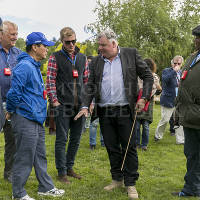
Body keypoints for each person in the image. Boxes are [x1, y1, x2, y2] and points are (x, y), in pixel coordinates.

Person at [75, 30, 153, 199]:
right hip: (104, 111)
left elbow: (147, 76)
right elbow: (90, 85)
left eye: (103, 45)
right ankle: (117, 178)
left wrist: (144, 97)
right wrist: (84, 105)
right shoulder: (96, 61)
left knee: (129, 147)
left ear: (113, 43)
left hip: (125, 109)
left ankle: (130, 183)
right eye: (99, 44)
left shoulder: (130, 54)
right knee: (111, 147)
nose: (99, 48)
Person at [6, 32, 65, 200]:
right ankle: (18, 193)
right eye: (44, 46)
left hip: (36, 119)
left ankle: (45, 187)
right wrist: (10, 111)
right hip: (25, 118)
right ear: (34, 47)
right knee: (24, 156)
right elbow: (14, 93)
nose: (47, 49)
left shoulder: (34, 65)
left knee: (40, 155)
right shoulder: (25, 66)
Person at [46, 27, 88, 184]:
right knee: (62, 139)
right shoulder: (55, 57)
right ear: (62, 41)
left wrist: (87, 103)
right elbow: (49, 80)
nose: (71, 44)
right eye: (68, 42)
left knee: (76, 139)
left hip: (80, 107)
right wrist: (54, 101)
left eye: (74, 41)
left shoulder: (82, 58)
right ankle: (61, 172)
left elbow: (87, 81)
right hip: (62, 105)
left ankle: (70, 168)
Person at [172, 25, 200, 197]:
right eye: (196, 37)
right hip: (189, 114)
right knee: (191, 153)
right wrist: (178, 110)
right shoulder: (192, 57)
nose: (196, 40)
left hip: (197, 112)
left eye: (199, 37)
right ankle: (191, 188)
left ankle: (193, 188)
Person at [0, 20, 21, 182]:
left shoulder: (19, 54)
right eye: (11, 34)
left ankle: (9, 174)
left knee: (12, 141)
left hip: (12, 105)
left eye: (16, 34)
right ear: (1, 34)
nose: (15, 37)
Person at [154, 55, 184, 141]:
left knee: (179, 121)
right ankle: (158, 135)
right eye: (175, 63)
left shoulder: (182, 72)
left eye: (179, 63)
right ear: (172, 63)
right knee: (165, 120)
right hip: (168, 99)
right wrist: (174, 71)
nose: (177, 65)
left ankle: (180, 139)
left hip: (179, 100)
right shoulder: (166, 71)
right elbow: (165, 80)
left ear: (181, 64)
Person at [136, 58, 162, 151]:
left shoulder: (154, 77)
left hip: (148, 103)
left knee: (145, 125)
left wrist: (147, 95)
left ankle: (144, 145)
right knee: (137, 125)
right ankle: (137, 143)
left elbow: (157, 90)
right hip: (138, 101)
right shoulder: (138, 76)